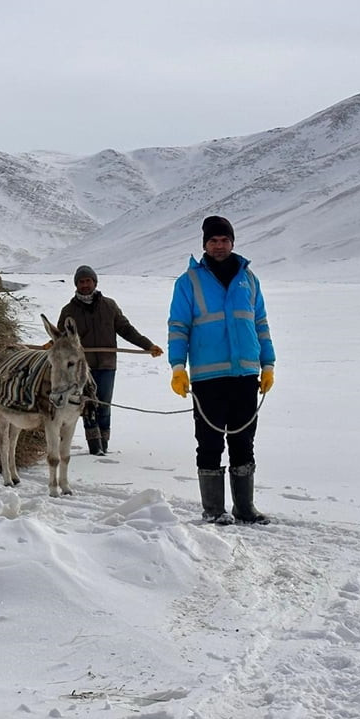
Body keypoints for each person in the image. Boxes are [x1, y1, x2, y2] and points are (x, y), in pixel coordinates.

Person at [167, 215, 275, 524]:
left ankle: (244, 508)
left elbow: (261, 324)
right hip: (208, 377)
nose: (219, 245)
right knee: (210, 441)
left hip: (245, 375)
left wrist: (268, 364)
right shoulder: (188, 282)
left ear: (233, 242)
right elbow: (178, 327)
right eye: (213, 241)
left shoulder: (249, 279)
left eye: (224, 240)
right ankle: (213, 510)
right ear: (205, 244)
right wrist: (178, 367)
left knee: (243, 440)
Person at [57, 265, 163, 455]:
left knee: (104, 403)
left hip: (106, 364)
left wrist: (148, 345)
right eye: (81, 282)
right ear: (76, 284)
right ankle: (95, 446)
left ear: (95, 282)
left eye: (88, 281)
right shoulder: (69, 310)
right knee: (87, 403)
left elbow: (126, 329)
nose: (85, 285)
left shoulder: (109, 306)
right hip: (82, 368)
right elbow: (61, 338)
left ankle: (104, 443)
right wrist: (51, 344)